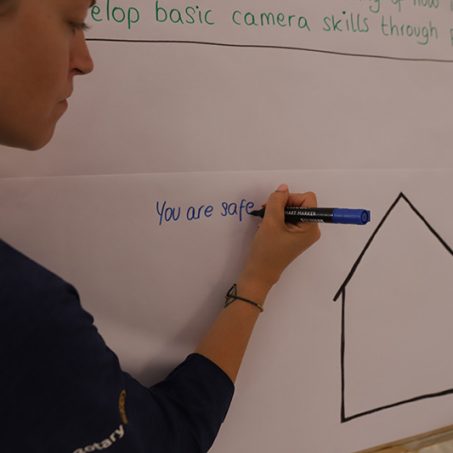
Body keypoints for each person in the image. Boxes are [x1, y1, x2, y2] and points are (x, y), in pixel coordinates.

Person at [0, 0, 321, 452]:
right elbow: (170, 440)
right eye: (73, 23)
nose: (86, 61)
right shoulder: (20, 313)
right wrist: (258, 280)